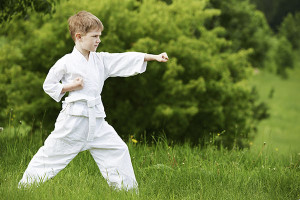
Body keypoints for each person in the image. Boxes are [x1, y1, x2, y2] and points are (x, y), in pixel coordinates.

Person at [18, 11, 168, 191]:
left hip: (96, 121)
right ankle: (24, 188)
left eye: (99, 36)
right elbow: (48, 85)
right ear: (79, 37)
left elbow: (123, 58)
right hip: (73, 121)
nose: (99, 40)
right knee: (51, 155)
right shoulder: (66, 62)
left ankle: (127, 192)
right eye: (95, 36)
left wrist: (153, 57)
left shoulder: (100, 60)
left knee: (118, 150)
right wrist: (69, 87)